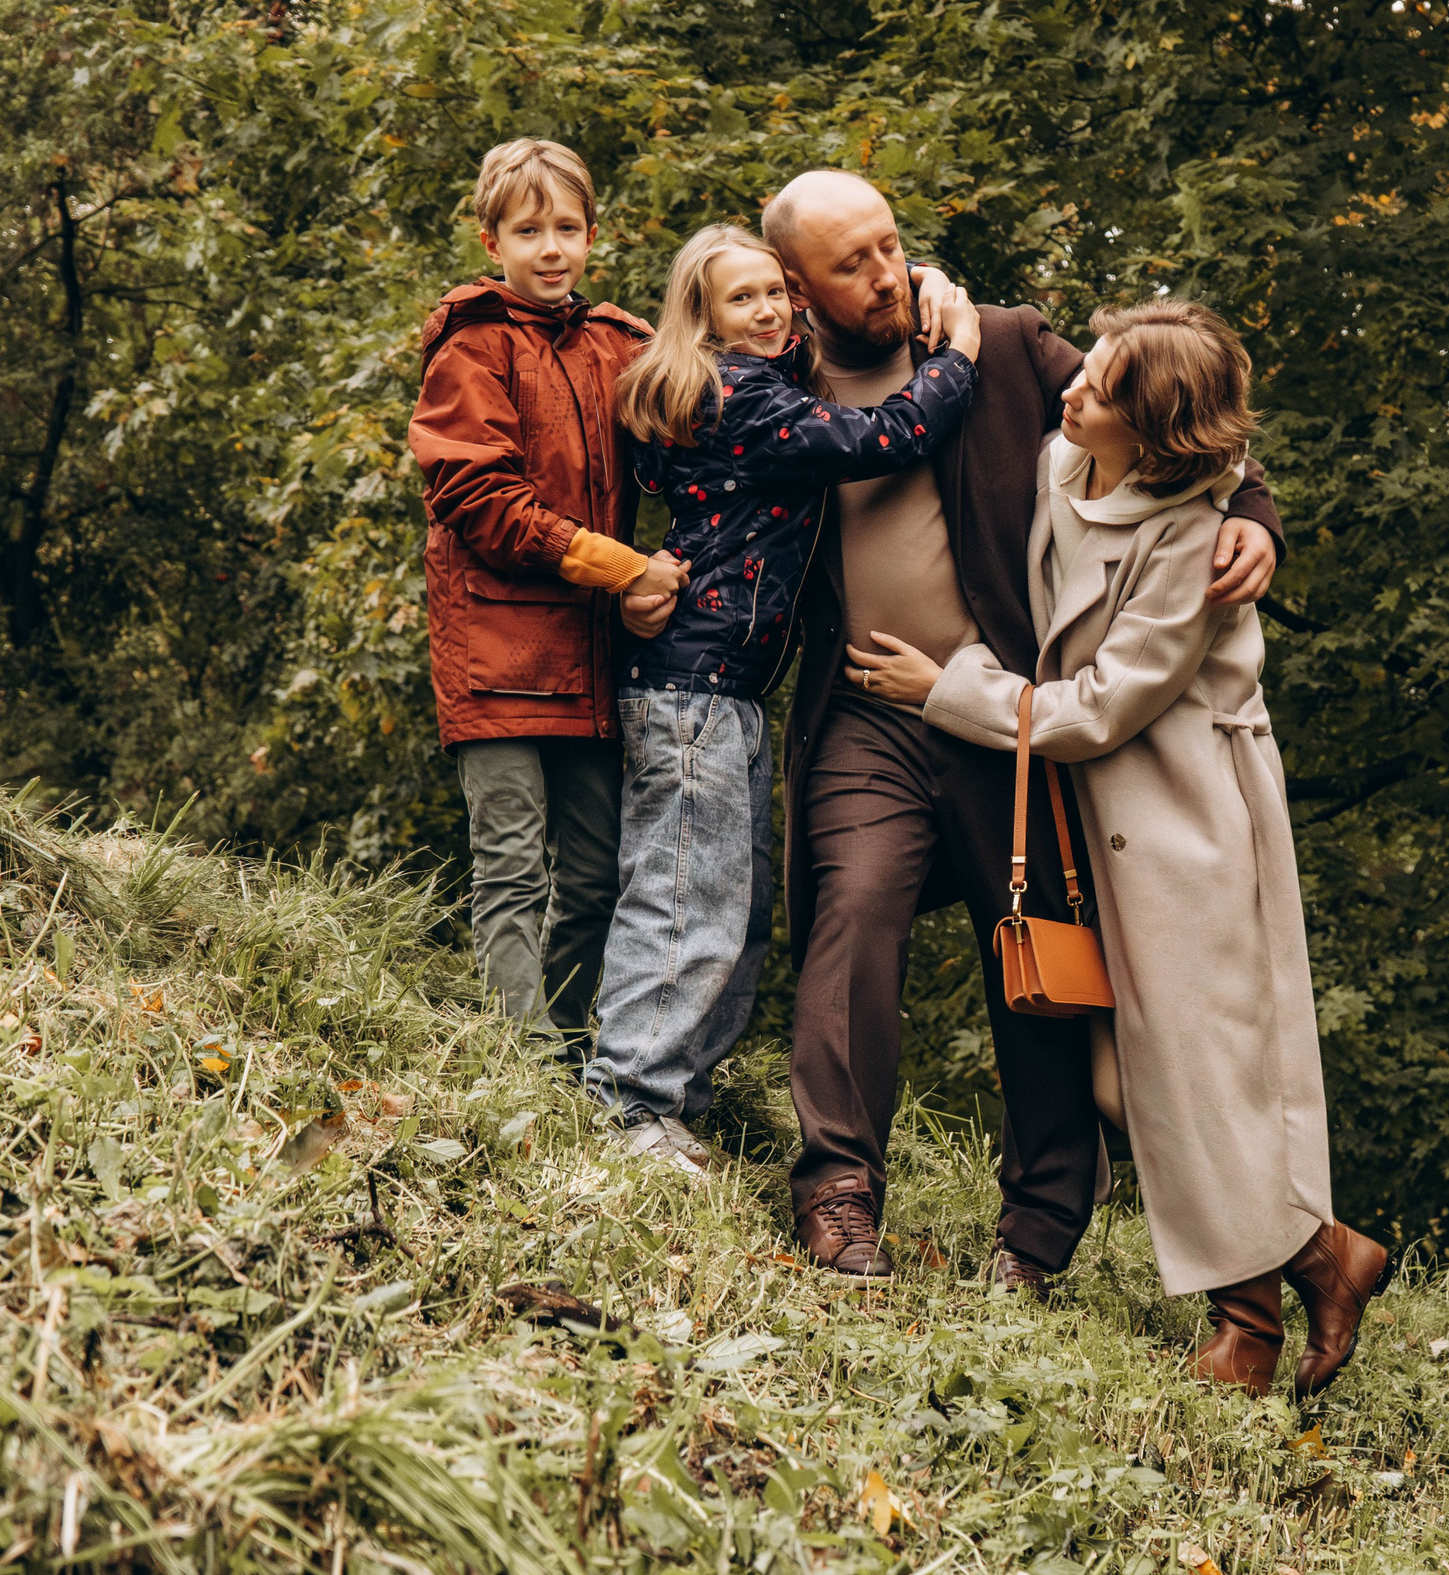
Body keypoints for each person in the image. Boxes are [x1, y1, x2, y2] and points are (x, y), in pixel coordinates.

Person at [851, 302, 1391, 1400]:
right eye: (1086, 373)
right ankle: (1322, 1255)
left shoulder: (1195, 538)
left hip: (1185, 813)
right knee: (1119, 1079)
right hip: (1091, 817)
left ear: (1148, 433)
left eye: (1097, 390)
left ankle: (1249, 1324)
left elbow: (1100, 709)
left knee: (1197, 1066)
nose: (1070, 392)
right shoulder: (1066, 464)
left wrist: (941, 687)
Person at [765, 171, 1285, 1291]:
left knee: (1037, 958)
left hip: (1009, 719)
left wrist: (1254, 520)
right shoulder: (769, 387)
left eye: (889, 245)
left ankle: (1036, 1236)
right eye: (849, 264)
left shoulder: (1000, 347)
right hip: (864, 710)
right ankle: (839, 1192)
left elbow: (1182, 435)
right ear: (796, 289)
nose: (885, 273)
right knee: (851, 912)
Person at [586, 223, 983, 1175]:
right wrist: (959, 355)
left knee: (737, 901)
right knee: (685, 897)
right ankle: (630, 1102)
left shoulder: (741, 384)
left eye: (778, 292)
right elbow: (887, 434)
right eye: (743, 298)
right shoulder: (739, 395)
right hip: (692, 689)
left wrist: (914, 279)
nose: (768, 310)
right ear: (704, 318)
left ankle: (679, 1101)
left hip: (727, 691)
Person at [408, 139, 688, 1064]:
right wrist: (620, 566)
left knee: (601, 870)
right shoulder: (473, 346)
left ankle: (567, 1052)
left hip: (591, 658)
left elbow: (714, 391)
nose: (551, 247)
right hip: (492, 657)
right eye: (529, 231)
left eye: (567, 227)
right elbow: (479, 498)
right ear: (493, 240)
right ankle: (515, 1066)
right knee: (512, 865)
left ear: (593, 234)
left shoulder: (620, 344)